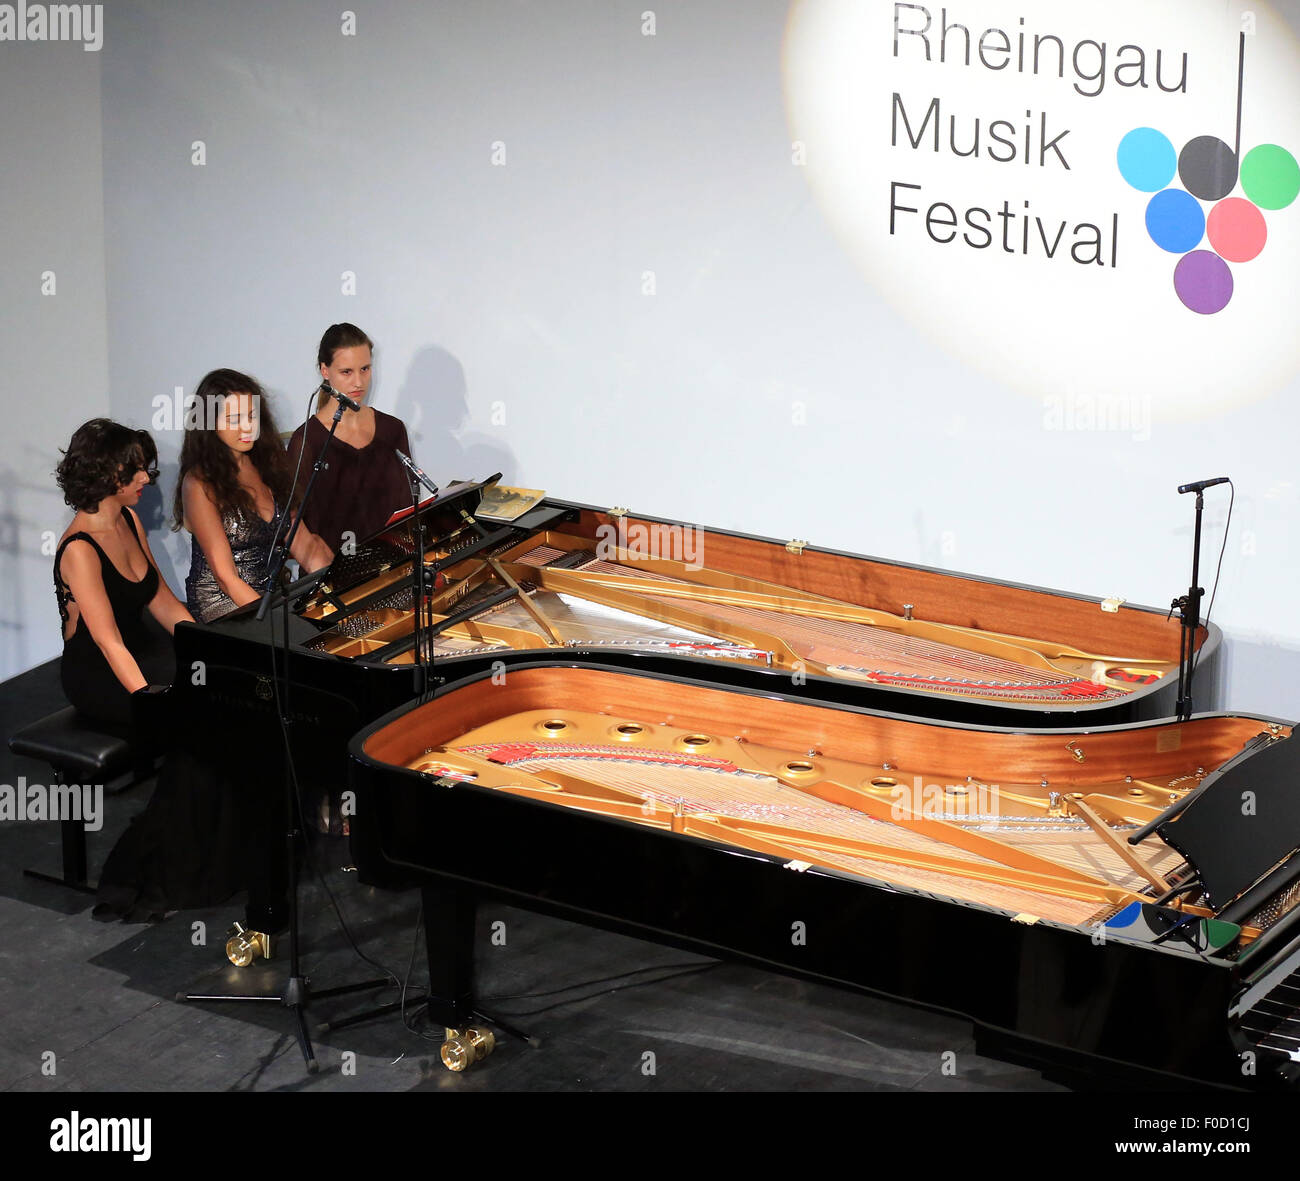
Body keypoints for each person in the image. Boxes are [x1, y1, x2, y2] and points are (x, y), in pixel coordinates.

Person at [53, 420, 190, 729]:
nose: (146, 478)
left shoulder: (128, 518)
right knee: (187, 718)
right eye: (135, 470)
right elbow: (108, 642)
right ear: (106, 475)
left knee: (214, 691)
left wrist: (211, 652)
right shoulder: (80, 549)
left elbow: (164, 602)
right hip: (99, 672)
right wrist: (148, 699)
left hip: (142, 646)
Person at [177, 369, 332, 622]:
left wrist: (340, 591)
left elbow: (304, 545)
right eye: (234, 419)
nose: (248, 426)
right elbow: (225, 578)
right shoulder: (198, 483)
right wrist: (277, 623)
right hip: (224, 606)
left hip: (270, 601)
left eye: (252, 416)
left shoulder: (270, 466)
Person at [285, 323, 416, 555]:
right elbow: (292, 522)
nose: (358, 382)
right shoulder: (307, 440)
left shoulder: (393, 430)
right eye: (347, 372)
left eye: (365, 369)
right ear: (325, 371)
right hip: (333, 580)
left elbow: (406, 510)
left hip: (393, 572)